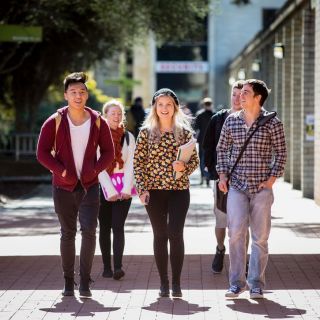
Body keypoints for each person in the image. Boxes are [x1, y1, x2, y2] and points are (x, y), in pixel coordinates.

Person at [37, 72, 114, 298]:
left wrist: (95, 170)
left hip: (89, 185)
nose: (78, 95)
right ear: (65, 95)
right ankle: (68, 282)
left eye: (82, 92)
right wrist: (61, 170)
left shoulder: (98, 121)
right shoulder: (55, 121)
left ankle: (85, 282)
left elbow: (109, 152)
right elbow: (41, 153)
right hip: (63, 186)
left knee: (89, 231)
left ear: (87, 95)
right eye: (73, 92)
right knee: (67, 233)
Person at [216, 79, 286, 299]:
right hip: (236, 186)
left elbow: (281, 153)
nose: (240, 96)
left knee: (260, 237)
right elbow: (222, 150)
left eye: (246, 92)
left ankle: (256, 283)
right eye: (240, 92)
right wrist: (223, 174)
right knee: (235, 233)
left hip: (261, 188)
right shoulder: (231, 121)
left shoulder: (272, 122)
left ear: (258, 97)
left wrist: (272, 178)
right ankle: (236, 283)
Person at [133, 88, 199, 298]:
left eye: (168, 104)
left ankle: (177, 283)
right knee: (160, 235)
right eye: (160, 105)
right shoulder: (145, 133)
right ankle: (163, 282)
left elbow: (195, 160)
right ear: (154, 107)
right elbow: (138, 163)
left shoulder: (185, 133)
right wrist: (141, 190)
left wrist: (184, 168)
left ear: (175, 107)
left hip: (179, 191)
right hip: (153, 192)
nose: (164, 108)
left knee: (175, 233)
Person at [202, 80, 245, 274]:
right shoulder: (218, 119)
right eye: (234, 94)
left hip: (246, 180)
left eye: (241, 94)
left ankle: (243, 257)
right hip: (222, 180)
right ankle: (220, 248)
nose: (237, 98)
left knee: (244, 222)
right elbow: (208, 146)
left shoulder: (254, 119)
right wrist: (214, 172)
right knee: (222, 221)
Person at [98, 100, 135, 280]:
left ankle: (118, 267)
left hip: (124, 187)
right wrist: (109, 189)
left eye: (119, 113)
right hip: (103, 186)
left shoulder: (129, 137)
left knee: (118, 226)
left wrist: (127, 188)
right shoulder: (97, 137)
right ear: (105, 116)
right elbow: (97, 165)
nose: (116, 116)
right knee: (104, 227)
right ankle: (106, 267)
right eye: (113, 113)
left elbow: (131, 165)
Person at [194, 97, 214, 186]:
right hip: (211, 141)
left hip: (202, 140)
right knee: (209, 159)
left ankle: (203, 177)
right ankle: (207, 178)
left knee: (202, 159)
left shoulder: (199, 115)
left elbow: (195, 128)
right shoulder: (214, 115)